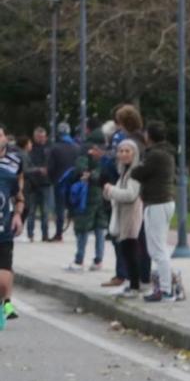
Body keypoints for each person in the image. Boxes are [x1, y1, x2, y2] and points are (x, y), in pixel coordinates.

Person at [134, 122, 179, 303]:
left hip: (157, 203)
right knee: (159, 248)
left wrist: (135, 165)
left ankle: (166, 290)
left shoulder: (155, 155)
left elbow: (138, 173)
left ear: (149, 136)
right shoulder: (166, 153)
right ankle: (166, 285)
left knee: (157, 249)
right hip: (164, 202)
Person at [104, 137, 146, 299]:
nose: (123, 154)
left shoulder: (134, 172)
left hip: (131, 216)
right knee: (126, 251)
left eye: (127, 151)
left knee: (130, 250)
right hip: (123, 215)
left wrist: (111, 190)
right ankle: (132, 283)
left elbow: (130, 195)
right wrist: (110, 192)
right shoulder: (124, 172)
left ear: (134, 153)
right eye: (121, 151)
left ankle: (134, 286)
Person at [63, 139, 108, 275]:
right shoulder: (105, 162)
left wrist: (89, 175)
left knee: (83, 228)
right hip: (103, 197)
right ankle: (98, 260)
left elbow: (82, 171)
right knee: (100, 228)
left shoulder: (86, 159)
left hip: (88, 197)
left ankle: (79, 259)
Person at [0, 127, 23, 324]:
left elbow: (19, 189)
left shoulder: (13, 164)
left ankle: (6, 301)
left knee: (4, 274)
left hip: (5, 224)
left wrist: (18, 214)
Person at [22, 127, 54, 244]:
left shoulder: (49, 147)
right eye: (39, 137)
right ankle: (30, 234)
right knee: (31, 211)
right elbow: (27, 166)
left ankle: (45, 234)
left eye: (43, 137)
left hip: (46, 183)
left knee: (45, 211)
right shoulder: (30, 149)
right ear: (34, 137)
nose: (41, 139)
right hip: (33, 184)